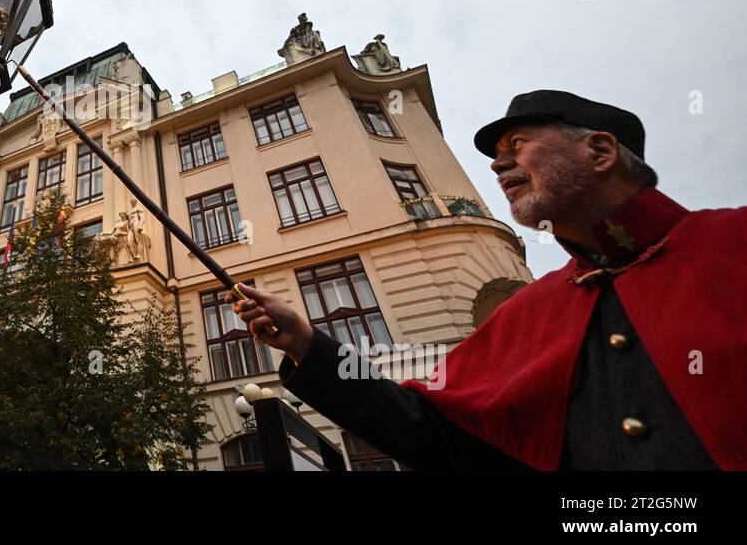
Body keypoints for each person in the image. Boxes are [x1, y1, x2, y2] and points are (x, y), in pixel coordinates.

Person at [234, 90, 745, 470]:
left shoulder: (732, 244)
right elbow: (428, 430)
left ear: (600, 151)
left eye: (517, 145)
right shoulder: (531, 310)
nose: (499, 164)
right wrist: (305, 341)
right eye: (499, 154)